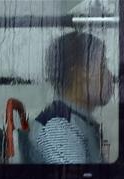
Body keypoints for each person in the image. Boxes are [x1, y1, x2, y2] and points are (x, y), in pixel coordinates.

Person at [31, 31, 115, 164]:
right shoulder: (58, 128)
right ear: (80, 73)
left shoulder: (80, 122)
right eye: (103, 65)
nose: (111, 76)